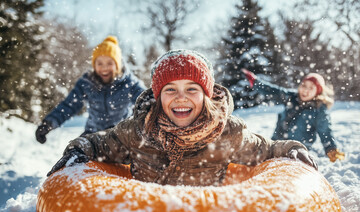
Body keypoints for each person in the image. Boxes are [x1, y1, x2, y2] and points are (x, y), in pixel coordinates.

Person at [46, 49, 317, 186]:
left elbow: (267, 149)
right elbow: (101, 142)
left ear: (206, 95)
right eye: (170, 90)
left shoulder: (226, 134)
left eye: (192, 89)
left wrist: (293, 150)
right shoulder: (139, 131)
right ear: (158, 97)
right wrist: (78, 150)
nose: (181, 97)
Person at [35, 36, 146, 143]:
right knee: (73, 151)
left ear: (117, 65)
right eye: (99, 63)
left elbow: (145, 100)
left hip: (121, 136)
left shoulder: (128, 83)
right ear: (94, 65)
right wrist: (48, 123)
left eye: (109, 63)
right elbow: (69, 105)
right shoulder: (87, 83)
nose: (104, 68)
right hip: (93, 134)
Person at [241, 68, 345, 163]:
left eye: (311, 88)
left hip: (298, 149)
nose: (305, 90)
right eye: (304, 85)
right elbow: (273, 91)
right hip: (277, 144)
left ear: (317, 92)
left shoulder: (319, 110)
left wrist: (331, 149)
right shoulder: (292, 97)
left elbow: (325, 131)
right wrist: (255, 82)